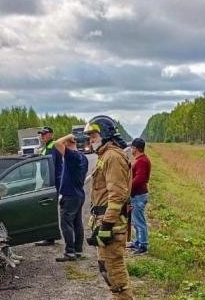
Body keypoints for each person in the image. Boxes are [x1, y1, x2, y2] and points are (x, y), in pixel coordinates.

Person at [84, 115, 133, 300]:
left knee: (116, 274)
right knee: (106, 269)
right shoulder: (105, 155)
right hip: (105, 222)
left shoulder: (112, 156)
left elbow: (117, 196)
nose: (90, 140)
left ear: (104, 134)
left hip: (112, 226)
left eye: (93, 135)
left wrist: (106, 226)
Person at [53, 134, 88, 262]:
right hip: (78, 194)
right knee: (77, 223)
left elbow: (57, 143)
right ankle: (78, 251)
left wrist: (68, 136)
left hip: (70, 196)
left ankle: (70, 252)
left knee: (66, 223)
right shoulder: (83, 157)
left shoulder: (72, 156)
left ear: (68, 144)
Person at [35, 126, 63, 246]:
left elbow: (51, 165)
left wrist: (48, 184)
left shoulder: (52, 146)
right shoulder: (46, 147)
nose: (42, 136)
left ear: (51, 134)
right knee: (49, 209)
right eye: (41, 134)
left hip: (53, 182)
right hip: (50, 181)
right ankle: (50, 236)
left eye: (44, 134)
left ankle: (50, 237)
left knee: (49, 209)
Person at [126, 138, 151, 255]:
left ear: (135, 148)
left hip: (139, 195)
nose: (131, 149)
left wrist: (127, 187)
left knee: (139, 221)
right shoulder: (141, 160)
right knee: (136, 221)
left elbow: (139, 180)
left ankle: (143, 245)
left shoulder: (142, 161)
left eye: (132, 147)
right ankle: (137, 241)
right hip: (137, 195)